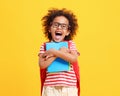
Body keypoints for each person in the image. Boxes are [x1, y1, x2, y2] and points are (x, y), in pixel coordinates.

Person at [38, 8, 80, 96]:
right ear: (49, 28)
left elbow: (73, 59)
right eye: (55, 25)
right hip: (50, 87)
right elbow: (42, 64)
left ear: (68, 31)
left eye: (63, 26)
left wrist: (54, 52)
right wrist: (56, 52)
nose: (59, 28)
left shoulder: (70, 44)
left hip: (69, 87)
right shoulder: (45, 46)